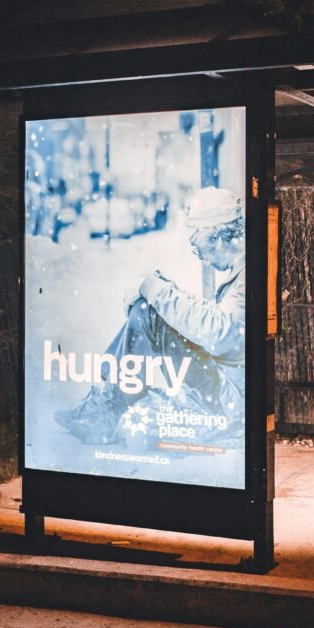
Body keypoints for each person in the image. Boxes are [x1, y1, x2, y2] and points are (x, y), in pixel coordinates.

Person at [55, 186, 246, 447]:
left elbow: (221, 334)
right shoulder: (242, 269)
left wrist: (156, 290)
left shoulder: (248, 274)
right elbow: (223, 323)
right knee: (152, 310)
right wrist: (167, 291)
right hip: (224, 388)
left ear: (219, 236)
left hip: (227, 401)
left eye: (196, 241)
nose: (196, 252)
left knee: (150, 313)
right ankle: (108, 397)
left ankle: (111, 407)